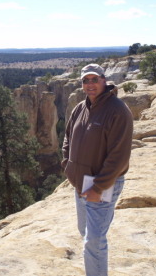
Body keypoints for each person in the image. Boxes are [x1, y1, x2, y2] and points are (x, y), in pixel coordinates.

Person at [61, 63, 133, 276]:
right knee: (85, 232)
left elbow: (119, 156)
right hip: (80, 182)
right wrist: (67, 165)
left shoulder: (117, 110)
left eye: (94, 79)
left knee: (94, 240)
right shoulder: (80, 108)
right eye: (85, 80)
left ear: (104, 80)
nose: (90, 84)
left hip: (101, 184)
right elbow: (67, 137)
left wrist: (99, 187)